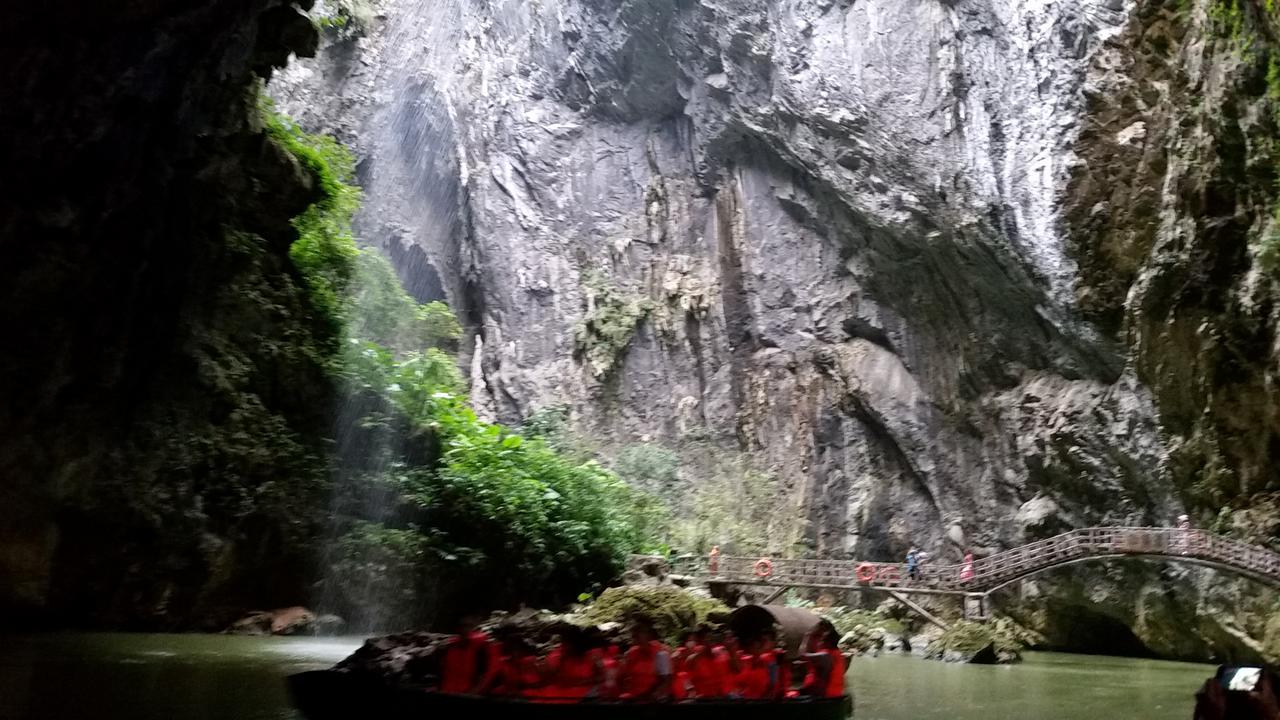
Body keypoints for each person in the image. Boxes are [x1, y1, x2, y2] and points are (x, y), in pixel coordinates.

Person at [439, 615, 501, 694]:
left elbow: (484, 673)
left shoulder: (480, 647)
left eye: (469, 626)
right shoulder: (450, 647)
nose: (465, 629)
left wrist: (474, 692)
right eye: (463, 626)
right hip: (448, 690)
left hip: (467, 693)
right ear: (458, 628)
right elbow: (444, 670)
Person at [540, 625, 603, 701]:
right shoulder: (556, 656)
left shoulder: (591, 655)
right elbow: (547, 679)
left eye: (569, 644)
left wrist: (581, 682)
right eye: (564, 643)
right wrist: (560, 663)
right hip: (560, 694)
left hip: (585, 693)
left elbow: (601, 677)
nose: (566, 647)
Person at [620, 616, 672, 700]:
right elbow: (624, 676)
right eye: (634, 636)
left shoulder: (661, 653)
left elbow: (666, 680)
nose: (636, 639)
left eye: (638, 635)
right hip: (635, 697)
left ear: (648, 635)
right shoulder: (631, 653)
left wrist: (653, 695)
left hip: (654, 698)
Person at [798, 625, 846, 698]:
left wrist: (806, 637)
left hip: (824, 695)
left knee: (792, 694)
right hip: (835, 694)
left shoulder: (824, 655)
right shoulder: (838, 654)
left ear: (828, 643)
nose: (820, 642)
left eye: (822, 640)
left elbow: (802, 655)